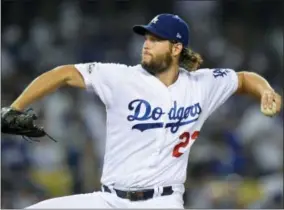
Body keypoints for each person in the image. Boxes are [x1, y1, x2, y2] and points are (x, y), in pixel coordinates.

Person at [2, 13, 282, 209]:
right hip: (108, 201)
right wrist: (16, 108)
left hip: (162, 202)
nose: (146, 43)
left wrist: (266, 90)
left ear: (176, 48)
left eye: (156, 39)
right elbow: (63, 74)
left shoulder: (201, 85)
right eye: (146, 37)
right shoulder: (121, 78)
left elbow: (244, 78)